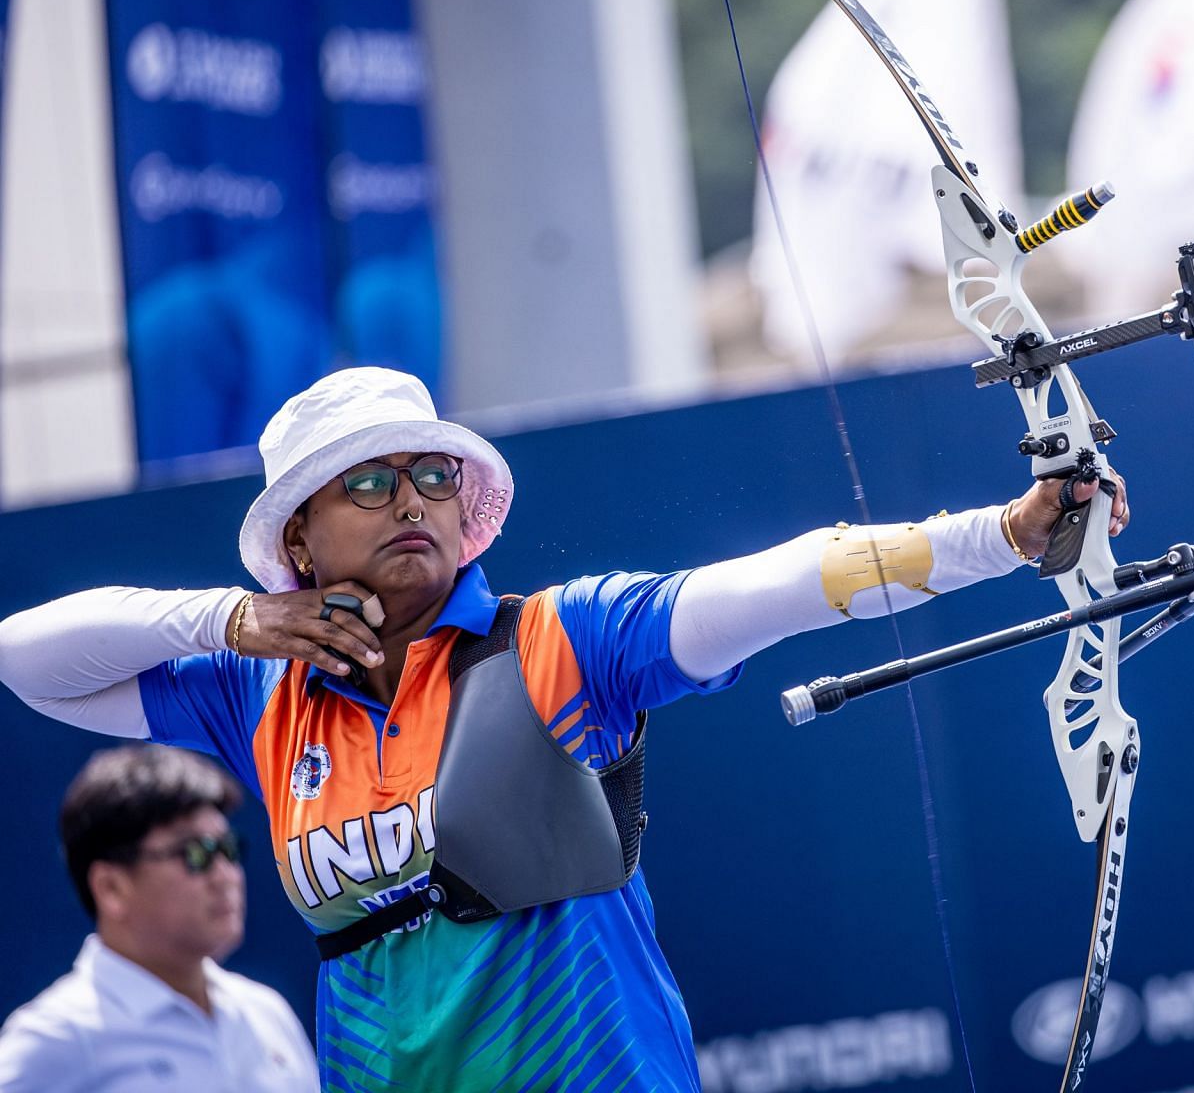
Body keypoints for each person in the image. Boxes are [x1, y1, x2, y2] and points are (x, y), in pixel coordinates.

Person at [0, 366, 1127, 1092]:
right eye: (370, 481)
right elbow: (28, 658)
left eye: (432, 473)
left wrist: (1004, 533)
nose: (411, 498)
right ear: (299, 536)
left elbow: (781, 582)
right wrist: (234, 619)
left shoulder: (559, 639)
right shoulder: (259, 691)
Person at [0, 744, 320, 1091]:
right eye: (196, 853)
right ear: (111, 887)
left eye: (228, 849)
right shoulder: (57, 1037)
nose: (225, 874)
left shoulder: (268, 1015)